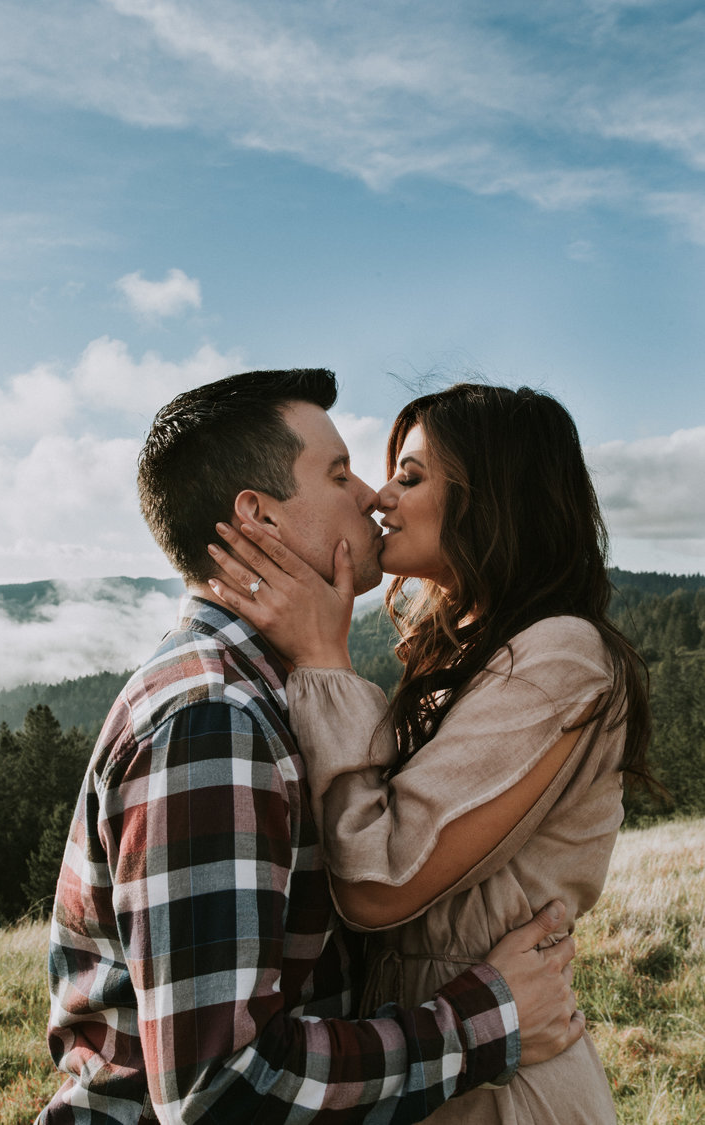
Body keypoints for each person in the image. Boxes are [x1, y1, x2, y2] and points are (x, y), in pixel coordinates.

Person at [37, 370, 584, 1125]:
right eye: (338, 472)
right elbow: (222, 1093)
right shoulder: (213, 719)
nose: (369, 494)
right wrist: (487, 1020)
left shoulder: (264, 693)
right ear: (257, 516)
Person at [208, 381, 653, 1124]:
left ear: (494, 497)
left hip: (505, 1091)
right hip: (434, 1061)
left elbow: (381, 883)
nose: (380, 496)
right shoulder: (479, 654)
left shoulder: (560, 658)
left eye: (410, 476)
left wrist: (325, 657)